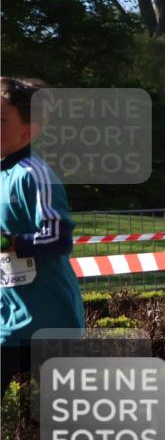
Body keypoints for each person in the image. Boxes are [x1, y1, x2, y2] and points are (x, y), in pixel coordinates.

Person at [1, 77, 85, 394]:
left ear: (28, 131)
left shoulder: (34, 174)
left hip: (48, 319)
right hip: (10, 318)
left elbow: (58, 239)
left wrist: (10, 243)